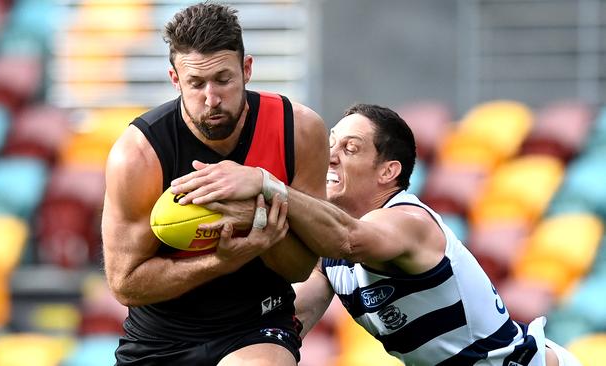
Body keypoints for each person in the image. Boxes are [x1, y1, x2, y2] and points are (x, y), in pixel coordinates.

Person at [170, 104, 582, 365]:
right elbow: (292, 319)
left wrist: (264, 183)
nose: (329, 155)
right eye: (331, 142)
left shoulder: (408, 221)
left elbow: (349, 240)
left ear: (389, 171)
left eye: (349, 148)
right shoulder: (327, 253)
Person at [101, 2, 329, 365]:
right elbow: (125, 283)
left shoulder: (297, 130)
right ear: (175, 79)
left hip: (257, 323)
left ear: (247, 69)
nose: (211, 99)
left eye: (223, 80)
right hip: (160, 337)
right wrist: (222, 260)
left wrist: (257, 221)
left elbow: (300, 268)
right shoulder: (139, 155)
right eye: (196, 83)